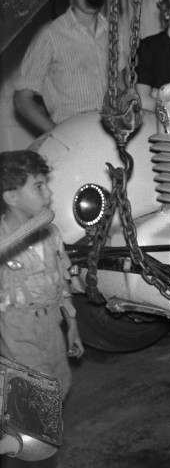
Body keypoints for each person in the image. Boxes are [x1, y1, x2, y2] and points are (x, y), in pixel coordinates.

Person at [0, 150, 84, 400]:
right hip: (18, 329)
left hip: (51, 324)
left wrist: (72, 324)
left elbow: (62, 283)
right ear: (12, 197)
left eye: (46, 184)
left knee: (60, 385)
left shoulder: (51, 234)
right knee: (37, 397)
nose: (49, 193)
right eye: (38, 187)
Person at [13, 0, 109, 134]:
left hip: (111, 133)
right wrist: (57, 134)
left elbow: (122, 83)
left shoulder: (114, 31)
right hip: (73, 136)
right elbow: (22, 99)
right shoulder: (50, 35)